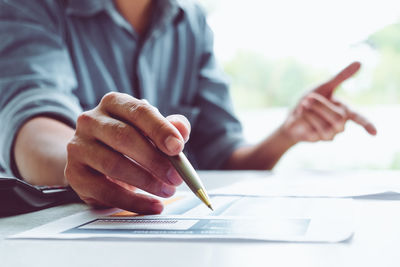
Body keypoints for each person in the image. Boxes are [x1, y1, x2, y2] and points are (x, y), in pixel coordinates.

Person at [0, 0, 376, 214]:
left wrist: (286, 134)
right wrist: (77, 156)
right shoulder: (30, 7)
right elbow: (32, 118)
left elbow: (224, 155)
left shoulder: (192, 22)